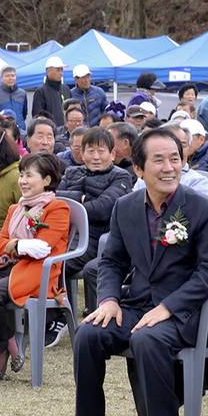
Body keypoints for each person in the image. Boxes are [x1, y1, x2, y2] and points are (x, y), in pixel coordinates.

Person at [55, 128, 208, 416]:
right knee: (89, 334)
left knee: (149, 340)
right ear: (138, 169)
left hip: (185, 311)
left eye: (175, 159)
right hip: (136, 306)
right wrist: (108, 300)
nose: (169, 167)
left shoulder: (204, 210)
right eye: (158, 160)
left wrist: (168, 307)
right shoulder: (126, 207)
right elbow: (112, 261)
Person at [0, 153, 69, 383]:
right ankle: (8, 342)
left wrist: (13, 246)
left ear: (47, 180)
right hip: (8, 266)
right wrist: (18, 245)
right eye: (21, 175)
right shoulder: (16, 208)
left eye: (29, 175)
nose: (23, 181)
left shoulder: (58, 208)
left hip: (37, 272)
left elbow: (43, 247)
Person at [59, 127, 134, 312]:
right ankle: (54, 313)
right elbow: (55, 201)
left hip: (99, 238)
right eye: (90, 151)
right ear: (82, 154)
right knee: (39, 260)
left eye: (101, 151)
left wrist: (75, 202)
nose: (96, 156)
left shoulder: (121, 176)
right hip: (65, 235)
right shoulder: (71, 173)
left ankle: (58, 315)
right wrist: (81, 197)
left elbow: (103, 209)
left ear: (112, 153)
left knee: (57, 264)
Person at [31, 56, 69, 129]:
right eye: (58, 70)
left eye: (62, 70)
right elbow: (37, 116)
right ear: (48, 71)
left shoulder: (66, 89)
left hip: (66, 132)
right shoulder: (40, 91)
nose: (61, 73)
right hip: (50, 133)